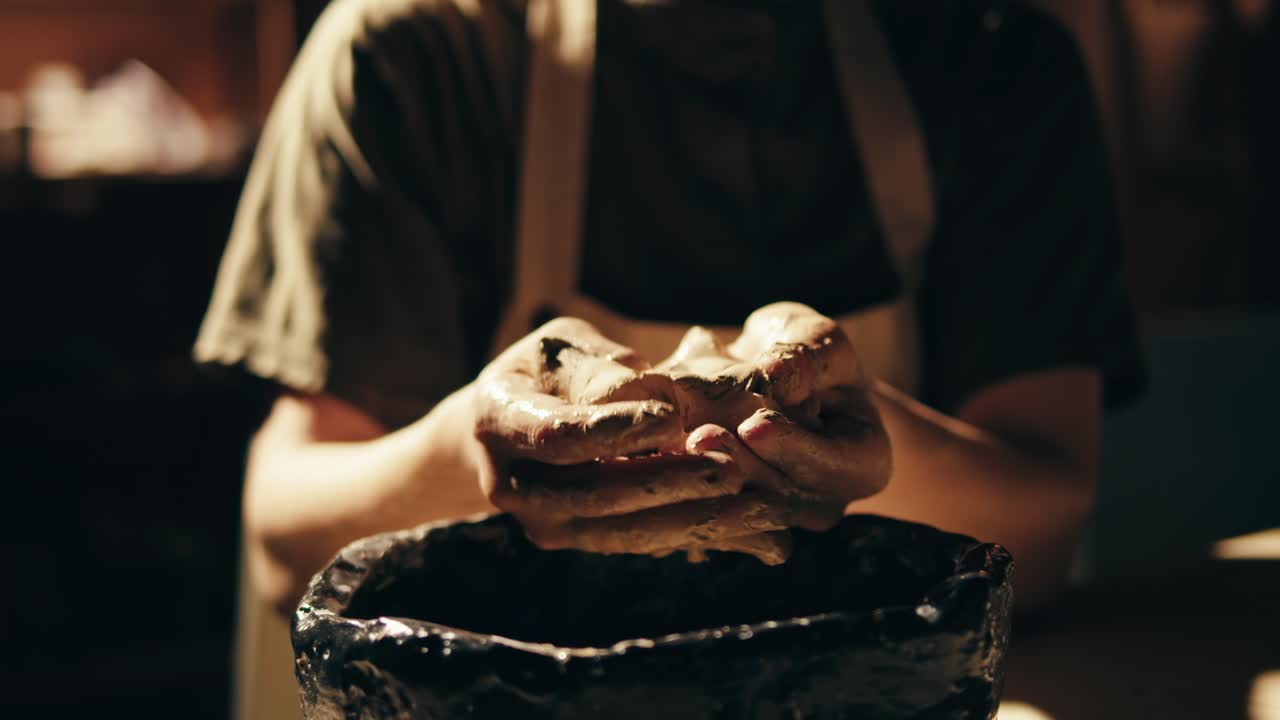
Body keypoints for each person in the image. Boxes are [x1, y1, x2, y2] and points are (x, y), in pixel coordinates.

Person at [198, 0, 1142, 639]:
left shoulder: (987, 51)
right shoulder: (417, 49)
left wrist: (862, 449)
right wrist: (471, 449)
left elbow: (1049, 533)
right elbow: (286, 541)